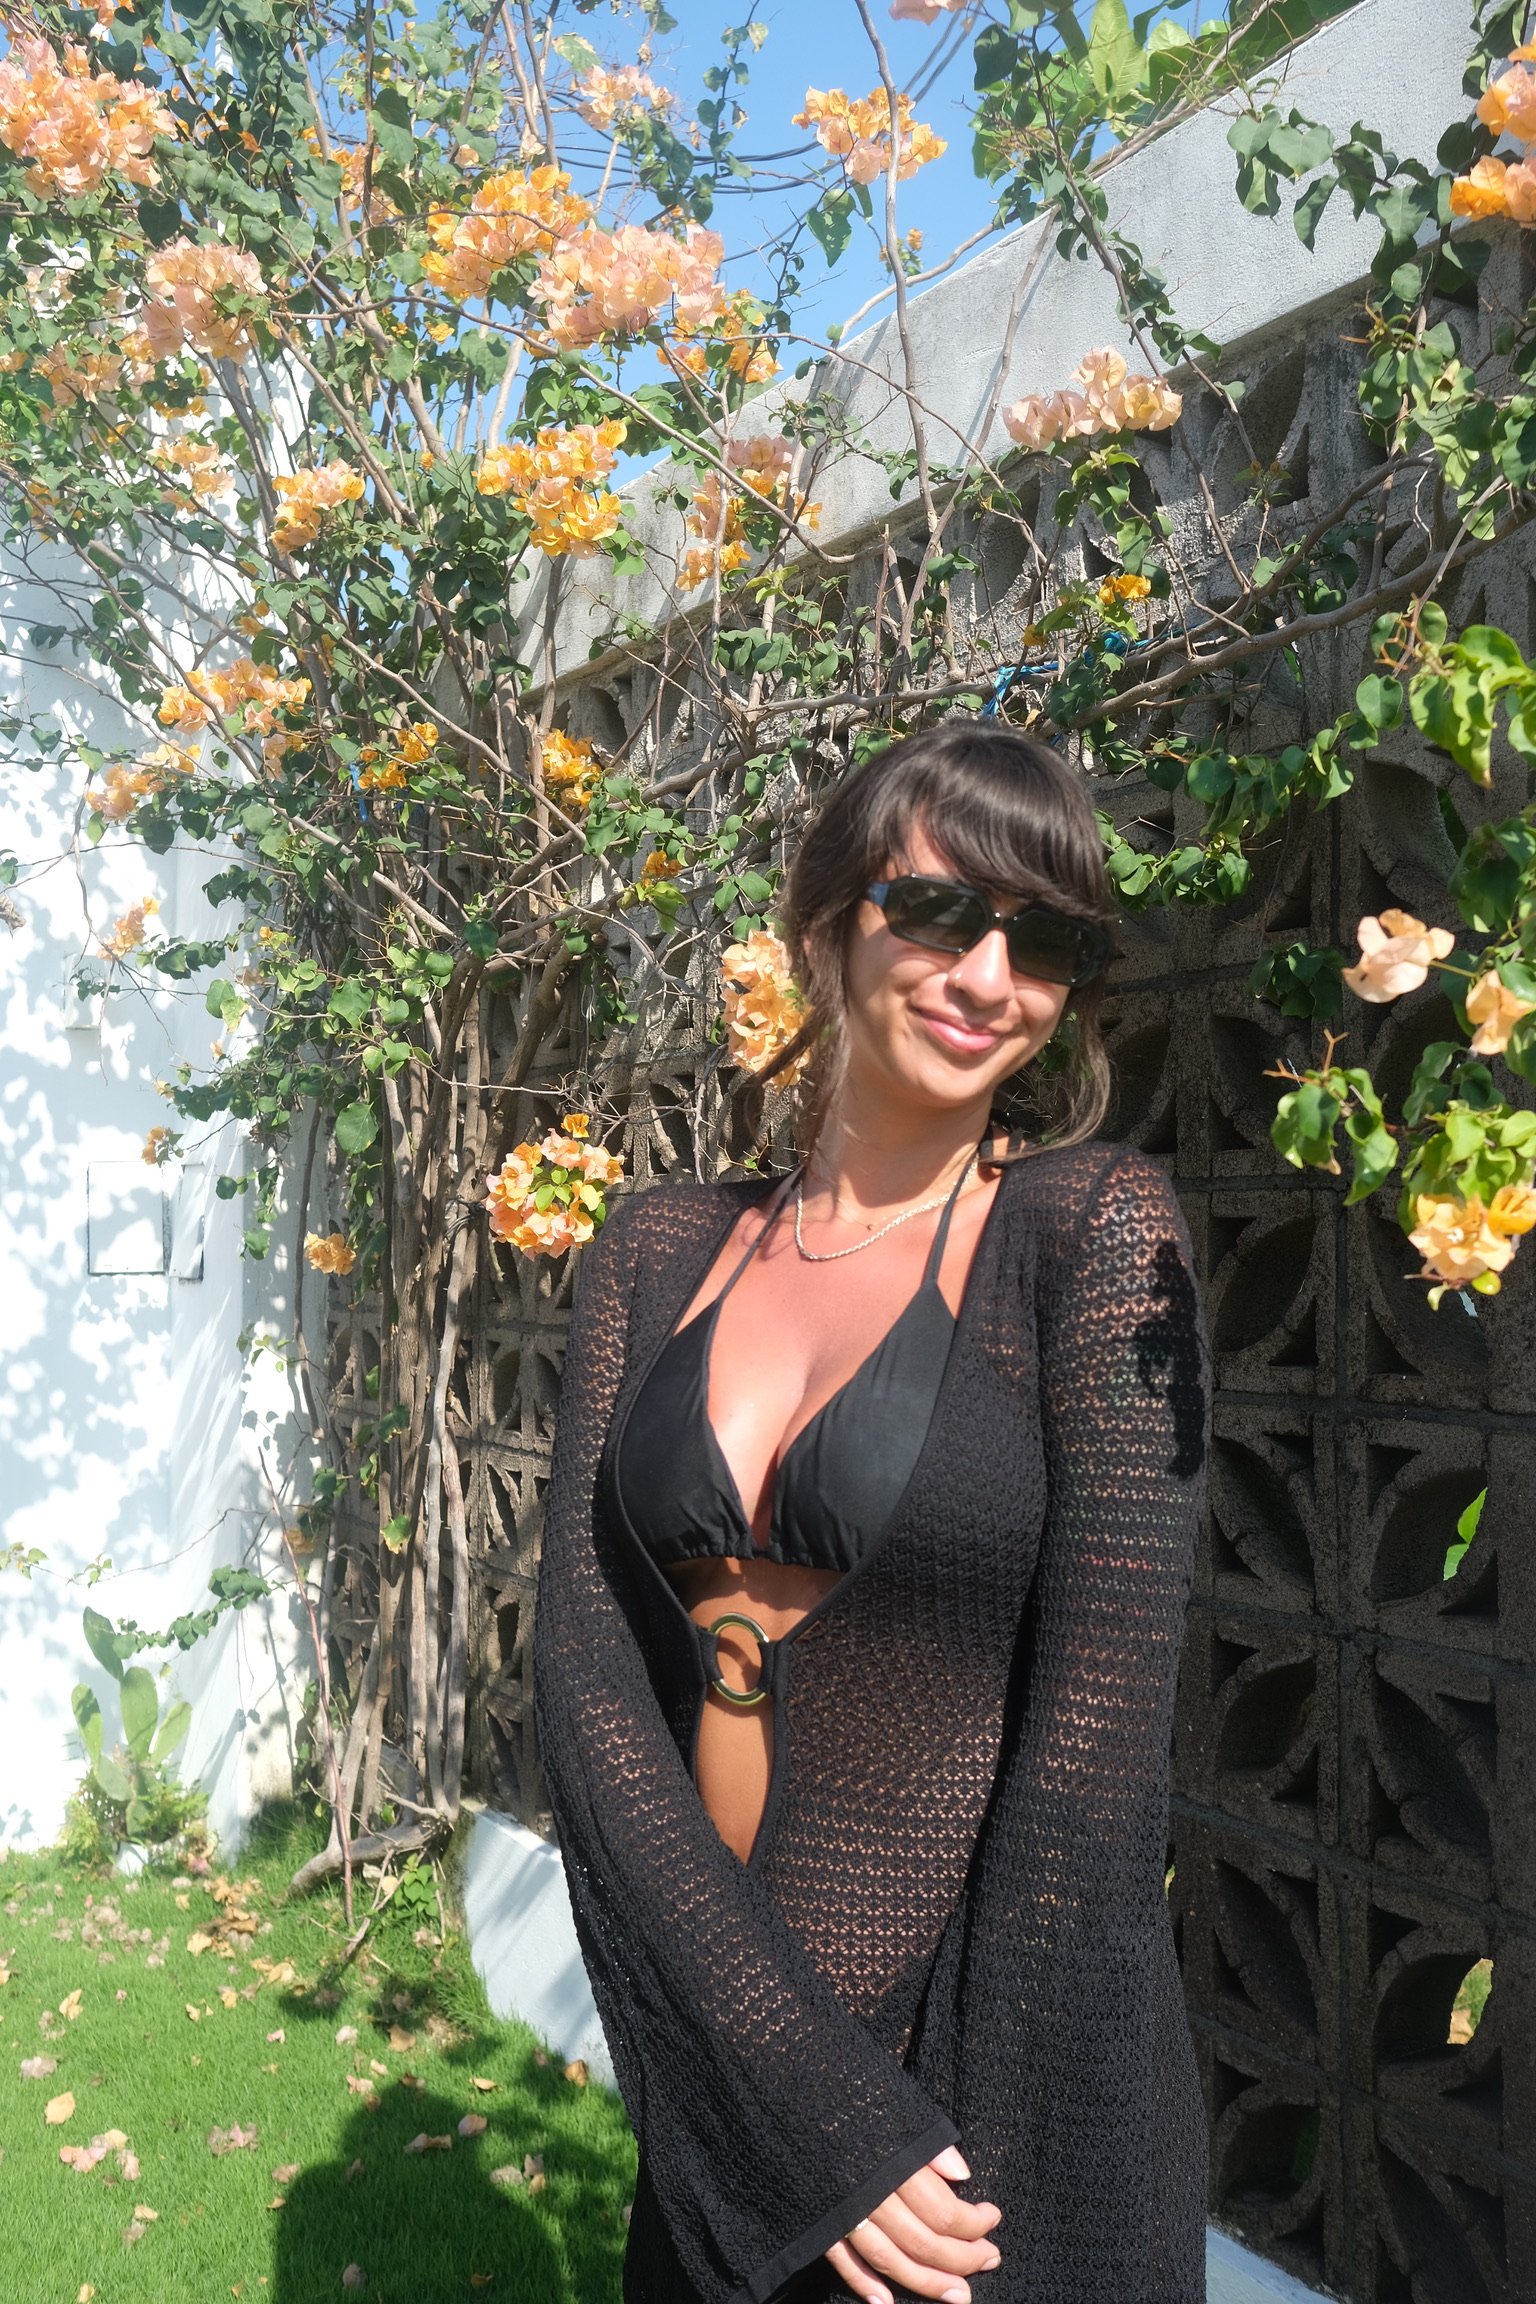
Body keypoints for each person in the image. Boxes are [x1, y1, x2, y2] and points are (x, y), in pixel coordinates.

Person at [532, 720, 1212, 2304]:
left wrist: (909, 2140)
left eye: (1045, 940)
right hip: (737, 2098)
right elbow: (584, 1676)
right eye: (940, 912)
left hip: (975, 2141)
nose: (989, 974)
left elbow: (1093, 1787)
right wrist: (784, 2094)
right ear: (831, 916)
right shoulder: (652, 1252)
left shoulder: (1094, 1237)